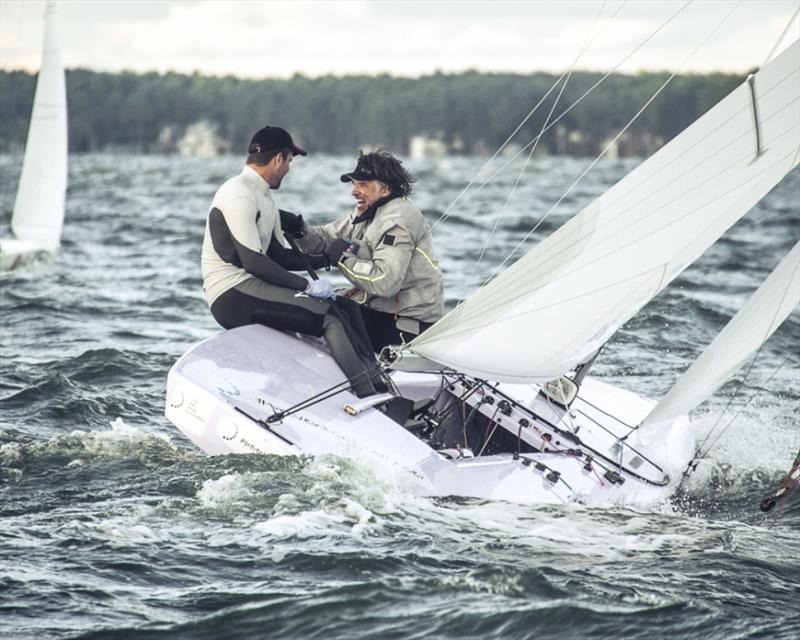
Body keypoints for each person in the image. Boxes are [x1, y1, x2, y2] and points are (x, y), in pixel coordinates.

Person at [200, 126, 385, 398]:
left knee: (345, 306)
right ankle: (367, 394)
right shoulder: (238, 193)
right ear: (278, 159)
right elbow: (253, 262)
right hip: (231, 294)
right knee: (328, 317)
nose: (288, 168)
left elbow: (278, 256)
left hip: (252, 286)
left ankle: (379, 384)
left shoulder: (265, 198)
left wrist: (326, 258)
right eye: (289, 161)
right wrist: (306, 287)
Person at [284, 148, 444, 353]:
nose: (354, 191)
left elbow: (385, 282)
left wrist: (342, 258)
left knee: (321, 313)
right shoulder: (368, 214)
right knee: (307, 302)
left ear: (385, 189)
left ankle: (362, 381)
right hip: (382, 315)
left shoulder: (398, 219)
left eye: (362, 185)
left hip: (406, 329)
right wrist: (298, 229)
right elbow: (325, 240)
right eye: (353, 184)